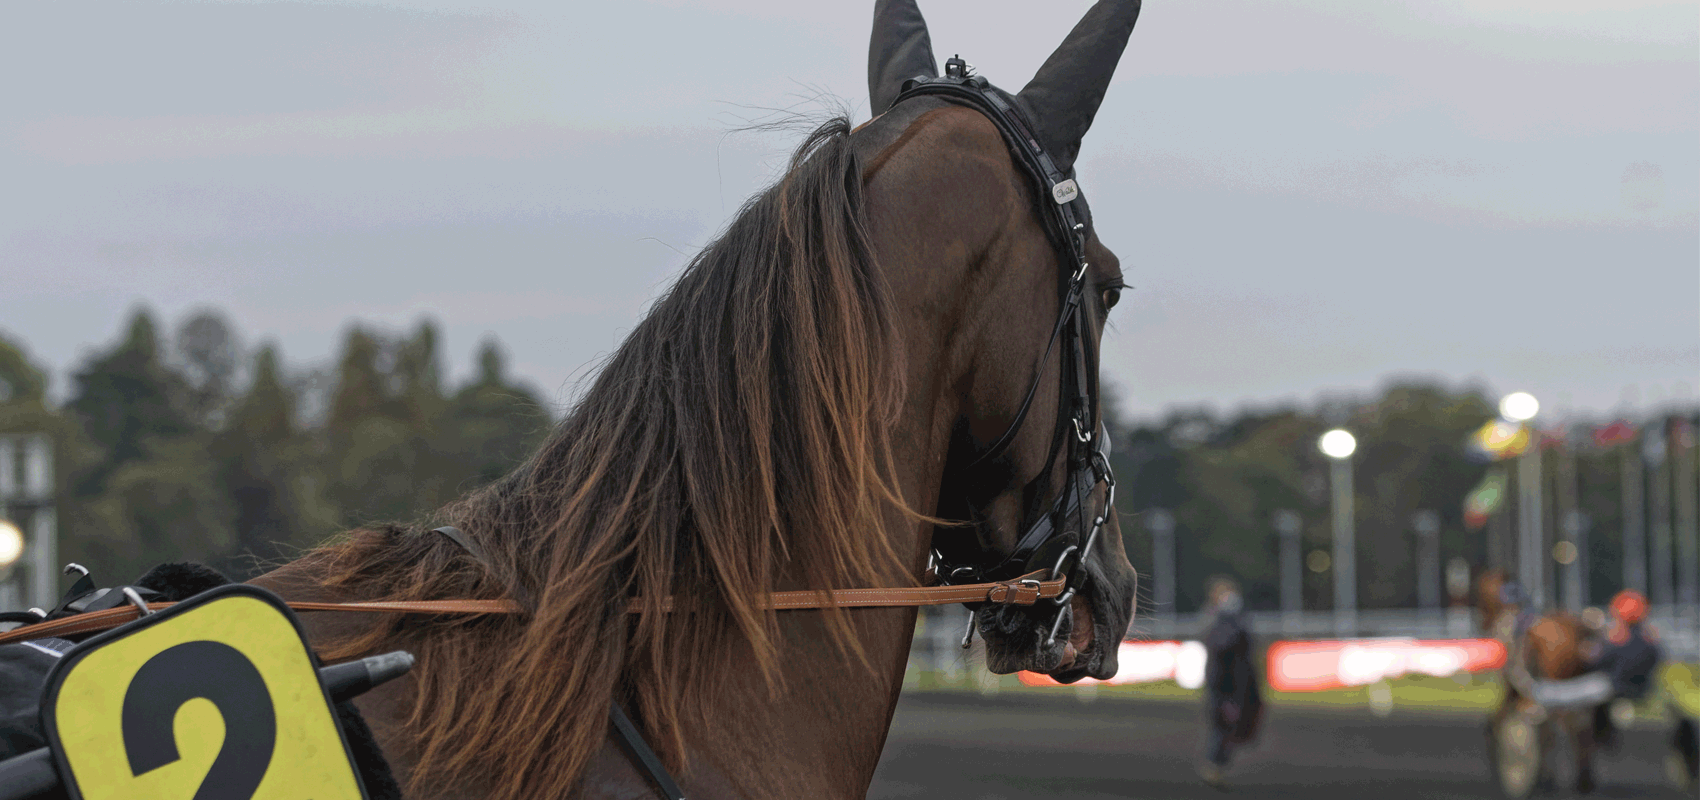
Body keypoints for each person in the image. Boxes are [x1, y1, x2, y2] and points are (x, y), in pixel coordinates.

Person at [1197, 575, 1263, 788]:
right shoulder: (1218, 620)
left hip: (1237, 682)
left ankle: (1216, 767)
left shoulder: (1233, 618)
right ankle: (1214, 766)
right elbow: (1225, 646)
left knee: (1231, 726)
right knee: (1224, 726)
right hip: (1224, 683)